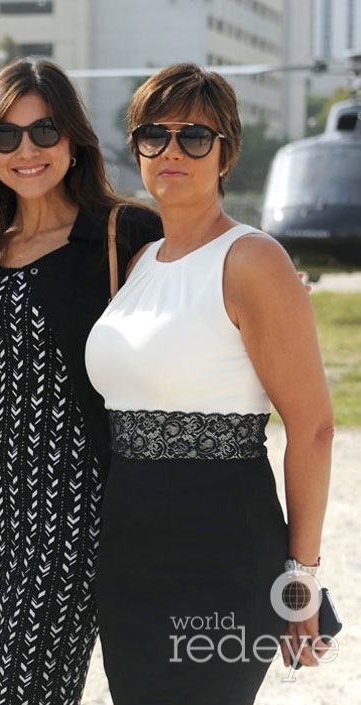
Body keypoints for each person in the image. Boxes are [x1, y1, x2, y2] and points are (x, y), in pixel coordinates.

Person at [85, 63, 334, 704]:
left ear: (225, 153)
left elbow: (312, 428)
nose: (172, 151)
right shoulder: (140, 261)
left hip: (220, 551)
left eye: (195, 136)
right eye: (154, 135)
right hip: (127, 548)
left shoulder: (253, 260)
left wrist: (300, 580)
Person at [0, 58, 163, 704]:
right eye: (7, 136)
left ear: (74, 139)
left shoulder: (123, 233)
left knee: (21, 689)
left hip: (78, 502)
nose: (27, 150)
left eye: (44, 131)